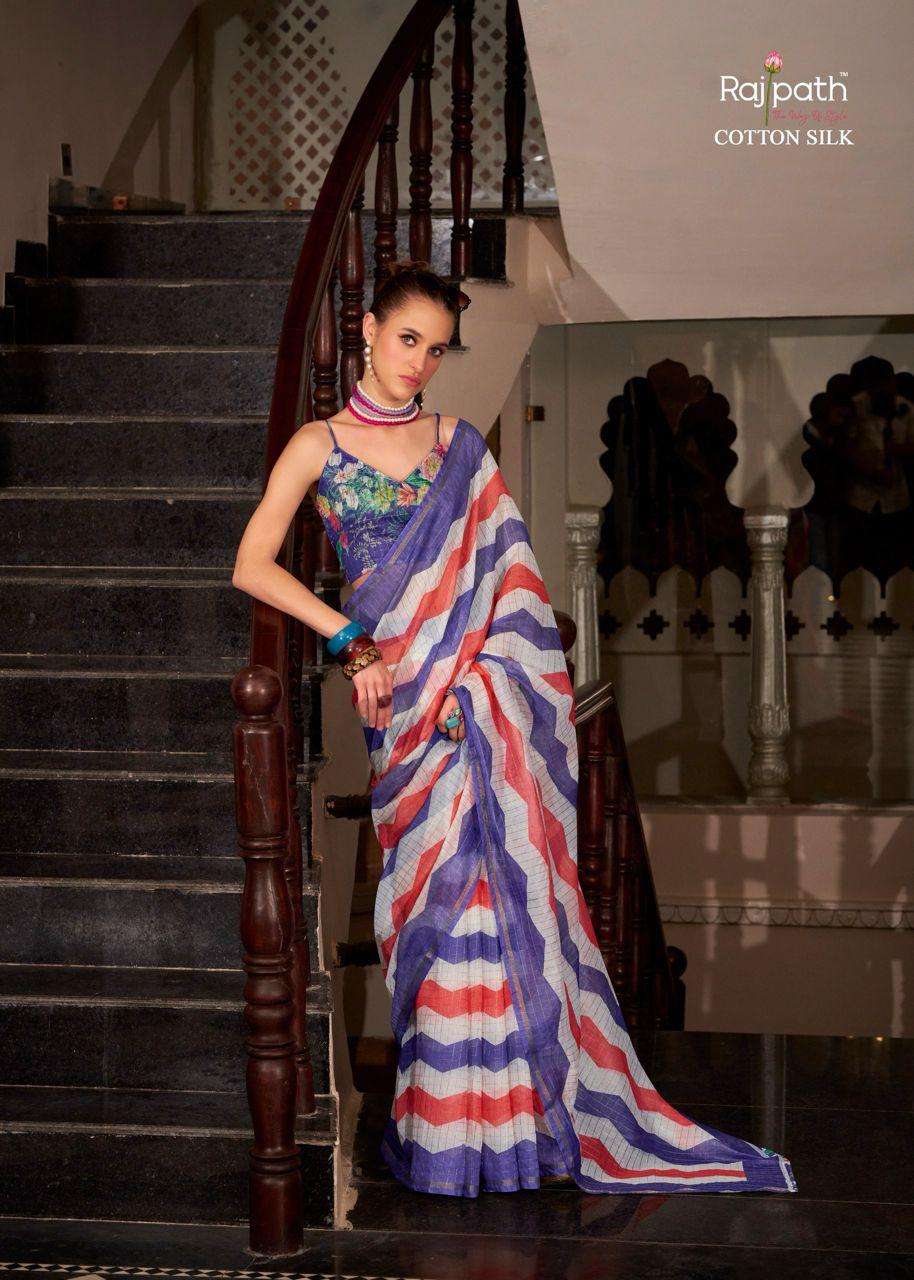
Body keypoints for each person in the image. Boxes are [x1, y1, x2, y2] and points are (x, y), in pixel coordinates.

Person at [232, 259, 797, 1199]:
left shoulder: (460, 448)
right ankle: (449, 1135)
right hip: (404, 713)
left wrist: (484, 686)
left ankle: (516, 1137)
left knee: (495, 917)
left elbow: (516, 594)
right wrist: (352, 644)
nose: (419, 363)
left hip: (479, 710)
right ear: (367, 330)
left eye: (436, 349)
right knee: (435, 915)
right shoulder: (318, 445)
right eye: (407, 339)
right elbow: (253, 564)